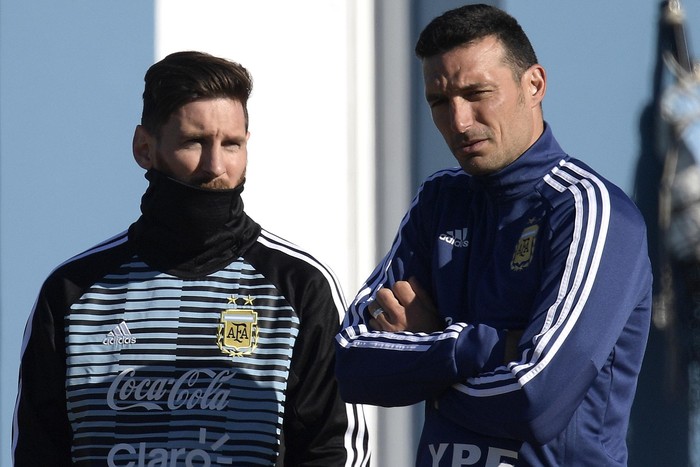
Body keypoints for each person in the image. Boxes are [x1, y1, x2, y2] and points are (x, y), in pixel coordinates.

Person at [13, 51, 370, 467]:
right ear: (144, 148)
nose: (215, 165)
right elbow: (37, 451)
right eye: (194, 142)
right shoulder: (72, 291)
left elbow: (332, 450)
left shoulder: (299, 285)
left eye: (231, 144)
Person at [335, 4, 651, 466]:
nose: (458, 121)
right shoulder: (440, 199)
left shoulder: (589, 208)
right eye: (439, 101)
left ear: (534, 85)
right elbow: (353, 364)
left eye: (477, 92)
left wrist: (428, 353)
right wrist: (491, 347)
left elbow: (535, 400)